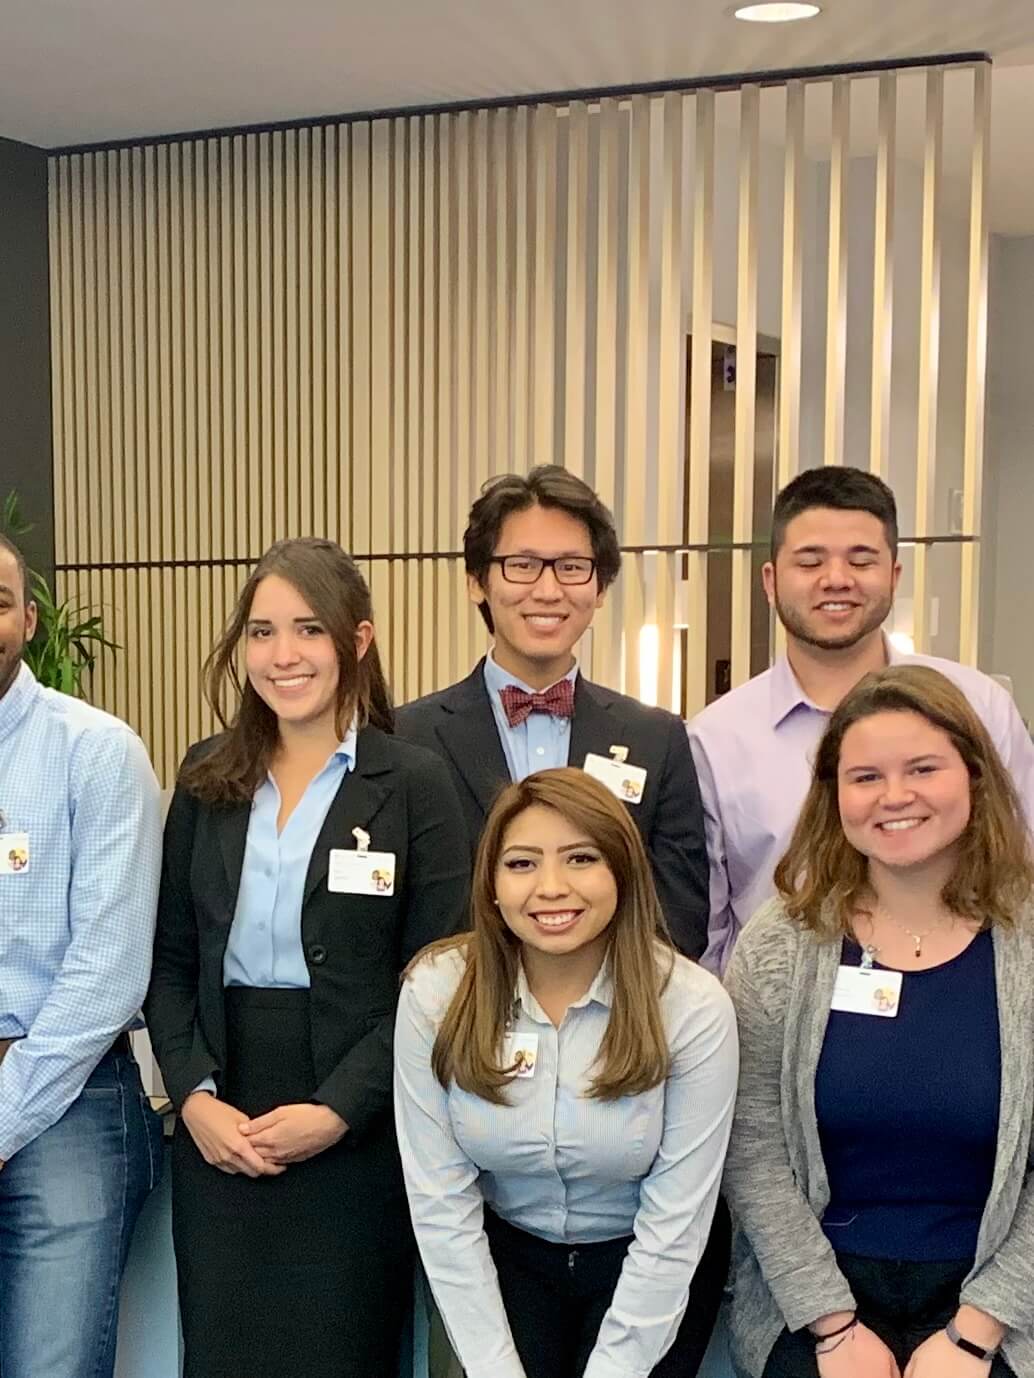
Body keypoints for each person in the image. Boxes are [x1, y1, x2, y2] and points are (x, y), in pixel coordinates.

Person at [144, 537, 470, 1378]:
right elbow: (171, 960)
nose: (282, 656)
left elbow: (439, 980)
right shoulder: (208, 775)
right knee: (222, 1351)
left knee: (344, 1352)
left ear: (356, 642)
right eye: (261, 632)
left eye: (307, 631)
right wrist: (195, 1097)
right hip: (222, 1114)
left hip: (357, 1126)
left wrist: (338, 1111)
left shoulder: (414, 784)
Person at [724, 664, 1034, 1378]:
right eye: (865, 778)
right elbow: (752, 1146)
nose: (895, 797)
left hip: (998, 1298)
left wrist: (975, 1334)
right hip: (816, 1298)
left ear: (975, 776)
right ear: (833, 795)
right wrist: (831, 1327)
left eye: (923, 768)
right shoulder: (780, 944)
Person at [395, 767, 738, 1378]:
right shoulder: (437, 991)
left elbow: (676, 1222)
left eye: (580, 859)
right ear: (492, 883)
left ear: (622, 872)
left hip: (645, 1261)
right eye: (522, 864)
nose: (550, 888)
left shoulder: (691, 1004)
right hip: (502, 1259)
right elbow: (439, 1201)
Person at [689, 466, 1034, 974]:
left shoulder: (978, 705)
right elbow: (710, 932)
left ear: (894, 575)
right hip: (778, 1022)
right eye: (810, 562)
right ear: (770, 580)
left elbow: (1021, 863)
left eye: (861, 560)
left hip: (969, 999)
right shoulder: (715, 739)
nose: (836, 579)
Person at [396, 465, 710, 960]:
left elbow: (679, 918)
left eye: (571, 566)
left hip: (616, 1024)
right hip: (457, 1017)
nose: (547, 591)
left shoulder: (658, 738)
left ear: (600, 588)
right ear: (476, 581)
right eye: (521, 565)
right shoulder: (407, 738)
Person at [0, 534, 163, 1378]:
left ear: (29, 620)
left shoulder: (95, 751)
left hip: (68, 1090)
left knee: (46, 1366)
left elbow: (108, 972)